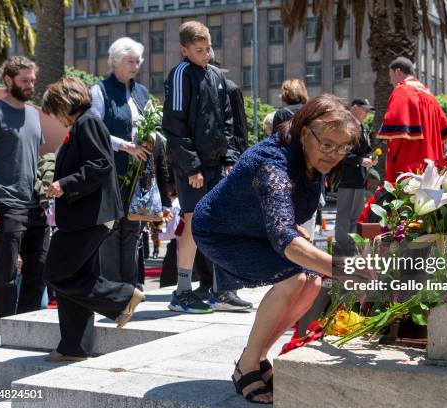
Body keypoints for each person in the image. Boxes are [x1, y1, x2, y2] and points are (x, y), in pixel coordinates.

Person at [192, 94, 360, 404]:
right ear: (305, 133)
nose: (334, 155)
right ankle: (246, 366)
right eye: (327, 145)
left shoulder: (311, 155)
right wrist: (346, 270)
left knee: (312, 279)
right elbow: (282, 235)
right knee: (293, 278)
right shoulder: (271, 162)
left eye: (342, 148)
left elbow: (282, 215)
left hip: (256, 229)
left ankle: (257, 357)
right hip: (220, 231)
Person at [41, 77, 144, 361]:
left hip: (89, 216)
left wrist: (64, 184)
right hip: (86, 215)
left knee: (56, 273)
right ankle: (73, 346)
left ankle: (123, 296)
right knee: (75, 277)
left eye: (56, 111)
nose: (57, 119)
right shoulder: (84, 124)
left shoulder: (88, 122)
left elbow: (100, 165)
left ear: (65, 103)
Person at [162, 20, 251, 313]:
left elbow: (227, 122)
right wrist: (191, 167)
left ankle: (220, 291)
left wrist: (229, 159)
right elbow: (173, 127)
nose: (206, 54)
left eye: (209, 48)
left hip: (217, 165)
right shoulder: (179, 75)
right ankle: (182, 292)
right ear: (184, 49)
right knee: (193, 224)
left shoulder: (215, 76)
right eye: (199, 50)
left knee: (218, 225)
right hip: (193, 168)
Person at [0, 56, 50, 338]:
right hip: (6, 205)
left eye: (32, 80)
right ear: (8, 80)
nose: (30, 85)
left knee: (38, 269)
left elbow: (38, 159)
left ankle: (25, 332)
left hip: (35, 206)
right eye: (24, 81)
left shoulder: (34, 113)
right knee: (4, 276)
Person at [90, 37, 171, 287]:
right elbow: (94, 129)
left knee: (133, 229)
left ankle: (131, 287)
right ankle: (112, 288)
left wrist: (152, 140)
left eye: (138, 61)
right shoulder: (100, 90)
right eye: (130, 61)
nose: (135, 66)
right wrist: (124, 145)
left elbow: (152, 127)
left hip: (139, 175)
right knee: (111, 230)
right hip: (112, 173)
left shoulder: (142, 92)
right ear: (115, 62)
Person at [378, 57, 447, 182]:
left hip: (410, 164)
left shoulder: (401, 89)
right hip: (431, 165)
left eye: (391, 76)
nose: (390, 81)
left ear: (398, 72)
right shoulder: (429, 95)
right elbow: (446, 132)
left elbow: (392, 126)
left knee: (406, 199)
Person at [335, 98, 376, 254]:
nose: (366, 113)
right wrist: (360, 160)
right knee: (344, 215)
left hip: (360, 179)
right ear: (354, 107)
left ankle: (351, 248)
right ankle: (341, 249)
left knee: (355, 216)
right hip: (346, 178)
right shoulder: (345, 125)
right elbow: (341, 151)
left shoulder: (362, 127)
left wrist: (371, 158)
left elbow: (365, 150)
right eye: (364, 109)